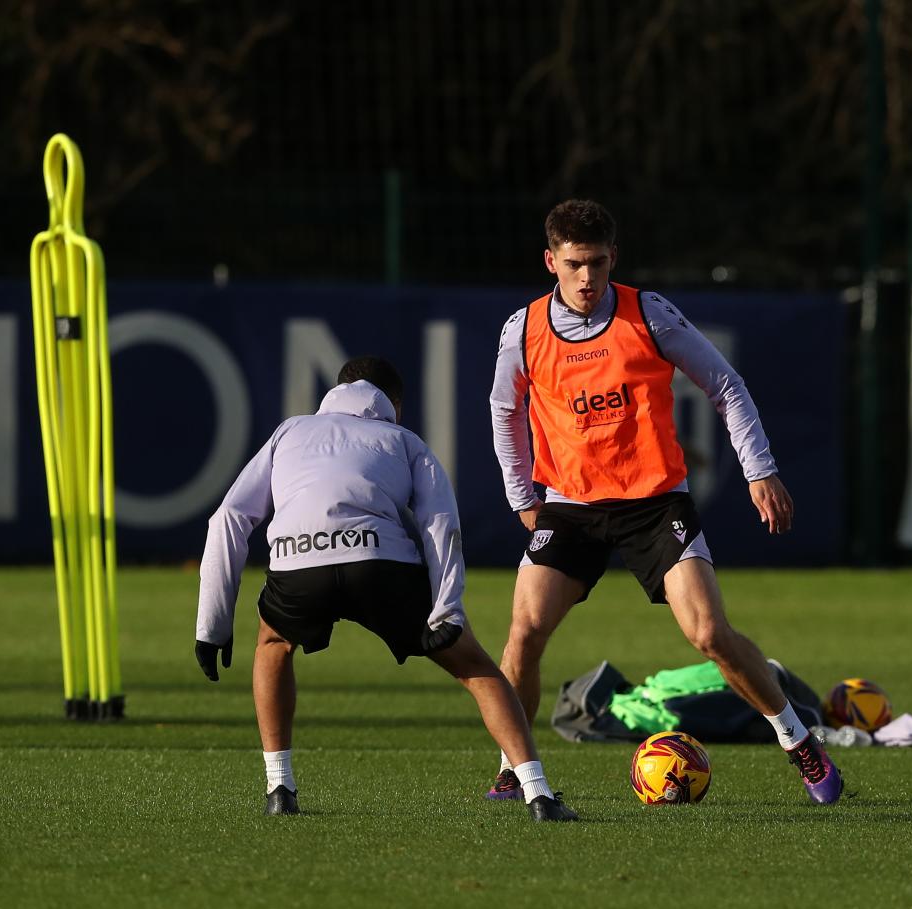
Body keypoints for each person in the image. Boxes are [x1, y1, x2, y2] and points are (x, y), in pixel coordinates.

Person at [485, 199, 842, 805]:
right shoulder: (523, 329)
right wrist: (523, 494)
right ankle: (514, 769)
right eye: (574, 264)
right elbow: (504, 409)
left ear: (613, 257)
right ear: (551, 261)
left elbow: (725, 385)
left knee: (709, 634)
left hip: (654, 503)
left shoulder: (647, 313)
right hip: (570, 506)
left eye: (597, 263)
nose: (587, 278)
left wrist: (759, 471)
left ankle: (797, 738)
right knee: (523, 633)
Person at [195, 356, 576, 821]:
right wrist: (447, 609)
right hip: (380, 565)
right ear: (393, 404)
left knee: (274, 644)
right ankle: (537, 794)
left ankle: (280, 789)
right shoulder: (404, 439)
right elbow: (442, 527)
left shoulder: (288, 433)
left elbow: (229, 518)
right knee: (476, 668)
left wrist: (212, 624)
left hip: (299, 566)